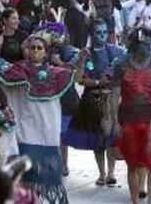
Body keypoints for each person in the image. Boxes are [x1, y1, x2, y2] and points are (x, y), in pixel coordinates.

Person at [0, 33, 87, 204]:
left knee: (47, 177)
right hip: (25, 131)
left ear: (46, 52)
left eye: (39, 48)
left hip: (47, 132)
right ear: (27, 50)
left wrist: (81, 61)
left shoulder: (56, 73)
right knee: (24, 178)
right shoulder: (16, 70)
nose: (35, 51)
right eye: (32, 47)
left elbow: (77, 78)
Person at [61, 18, 125, 186]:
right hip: (91, 101)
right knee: (97, 141)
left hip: (111, 100)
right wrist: (83, 60)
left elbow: (125, 72)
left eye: (105, 32)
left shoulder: (117, 52)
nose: (102, 36)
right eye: (98, 32)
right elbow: (78, 78)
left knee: (111, 139)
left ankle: (111, 173)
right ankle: (102, 173)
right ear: (91, 34)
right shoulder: (83, 52)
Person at [112, 26, 151, 204]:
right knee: (132, 164)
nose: (149, 47)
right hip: (128, 123)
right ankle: (135, 201)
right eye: (146, 43)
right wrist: (114, 122)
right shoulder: (121, 65)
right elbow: (114, 95)